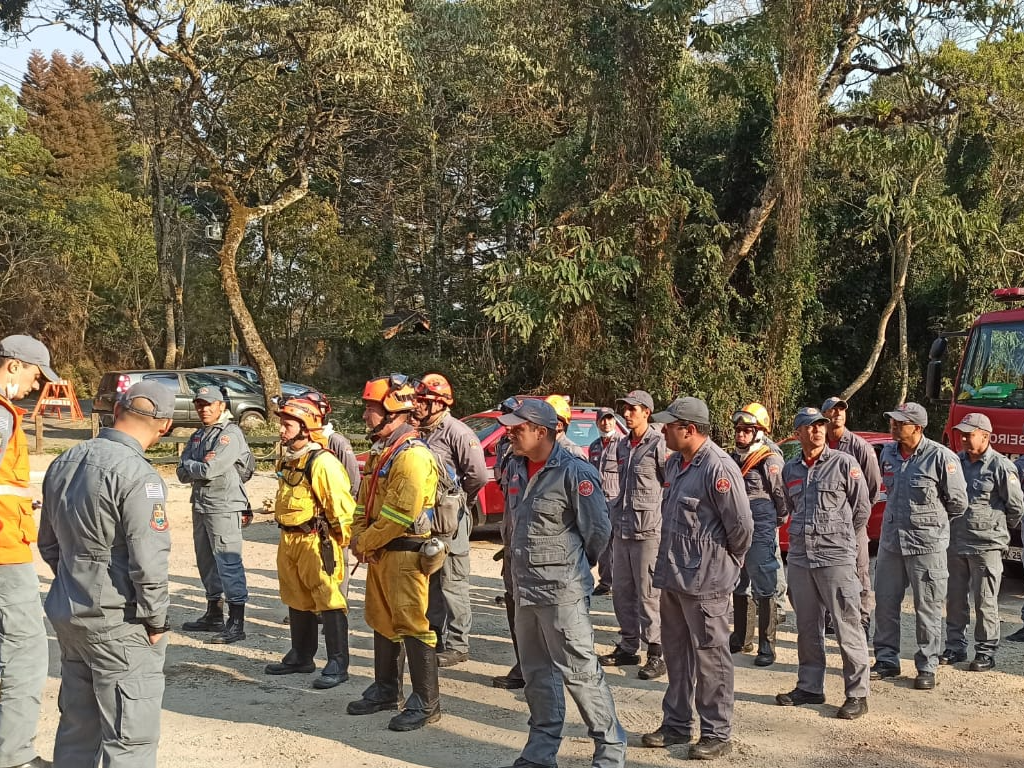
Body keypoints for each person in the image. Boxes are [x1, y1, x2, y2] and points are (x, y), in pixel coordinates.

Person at [38, 381, 174, 768]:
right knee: (130, 738)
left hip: (70, 612)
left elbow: (48, 544)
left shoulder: (64, 460)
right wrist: (156, 619)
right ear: (164, 425)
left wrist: (76, 580)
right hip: (119, 620)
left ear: (116, 411)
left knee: (78, 728)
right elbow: (149, 560)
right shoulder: (139, 476)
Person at [496, 399, 625, 768]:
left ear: (541, 431)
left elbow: (598, 531)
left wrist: (572, 566)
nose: (510, 433)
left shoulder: (573, 471)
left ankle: (610, 751)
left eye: (518, 428)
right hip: (525, 590)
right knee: (537, 674)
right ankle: (540, 752)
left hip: (562, 592)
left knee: (581, 674)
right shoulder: (516, 466)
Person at [642, 397, 752, 759]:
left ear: (688, 430)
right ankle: (676, 724)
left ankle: (717, 732)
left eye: (669, 426)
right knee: (677, 656)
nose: (662, 431)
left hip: (705, 582)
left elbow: (741, 527)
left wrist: (727, 565)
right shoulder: (676, 463)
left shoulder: (717, 468)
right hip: (674, 577)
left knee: (711, 659)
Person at [347, 375, 441, 731]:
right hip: (381, 552)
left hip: (404, 553)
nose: (366, 415)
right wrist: (360, 536)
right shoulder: (382, 451)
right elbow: (363, 503)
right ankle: (386, 688)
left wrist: (364, 542)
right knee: (381, 619)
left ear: (393, 411)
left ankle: (426, 702)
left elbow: (399, 515)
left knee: (412, 625)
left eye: (372, 409)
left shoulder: (413, 457)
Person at [775, 407, 871, 719]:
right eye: (810, 426)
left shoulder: (844, 463)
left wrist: (840, 538)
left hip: (836, 558)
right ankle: (810, 687)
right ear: (798, 433)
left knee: (847, 626)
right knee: (807, 627)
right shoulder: (790, 470)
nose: (817, 431)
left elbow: (861, 509)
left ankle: (857, 694)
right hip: (802, 558)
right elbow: (790, 507)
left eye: (821, 425)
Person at [872, 402, 968, 690]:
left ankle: (927, 665)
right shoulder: (888, 453)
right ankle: (887, 660)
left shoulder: (941, 457)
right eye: (893, 421)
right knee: (886, 603)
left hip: (926, 546)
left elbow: (958, 503)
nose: (893, 426)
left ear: (917, 427)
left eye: (900, 422)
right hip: (891, 543)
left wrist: (931, 526)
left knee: (927, 607)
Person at [263, 397, 355, 690]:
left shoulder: (323, 462)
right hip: (289, 538)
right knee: (294, 595)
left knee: (328, 597)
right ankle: (301, 655)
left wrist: (344, 543)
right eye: (282, 423)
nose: (282, 430)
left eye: (288, 425)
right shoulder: (289, 459)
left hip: (317, 540)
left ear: (307, 427)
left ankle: (338, 662)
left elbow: (340, 505)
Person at [0, 335, 59, 768]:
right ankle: (14, 755)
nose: (35, 387)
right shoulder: (2, 416)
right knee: (26, 651)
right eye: (35, 376)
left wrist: (22, 498)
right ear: (13, 365)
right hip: (4, 549)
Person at [414, 373, 488, 668]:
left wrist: (460, 503)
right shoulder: (420, 431)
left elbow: (478, 476)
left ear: (438, 404)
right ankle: (434, 636)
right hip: (426, 521)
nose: (416, 406)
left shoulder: (457, 432)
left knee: (453, 582)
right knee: (430, 579)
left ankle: (458, 644)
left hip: (451, 520)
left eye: (423, 401)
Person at [941, 413, 1023, 671]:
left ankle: (985, 651)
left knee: (985, 600)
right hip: (956, 541)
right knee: (955, 598)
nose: (964, 438)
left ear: (985, 436)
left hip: (986, 545)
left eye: (969, 434)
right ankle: (955, 647)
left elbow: (1016, 507)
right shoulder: (955, 462)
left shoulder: (1001, 466)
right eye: (962, 434)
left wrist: (995, 529)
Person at [599, 389, 667, 680]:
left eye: (632, 409)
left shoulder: (659, 444)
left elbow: (671, 485)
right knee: (622, 593)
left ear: (646, 413)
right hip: (623, 528)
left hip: (648, 531)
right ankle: (628, 646)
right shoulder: (623, 445)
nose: (626, 414)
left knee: (648, 594)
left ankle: (656, 652)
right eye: (624, 409)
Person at [177, 385, 253, 644]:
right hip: (200, 504)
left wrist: (193, 465)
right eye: (199, 404)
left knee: (228, 562)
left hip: (224, 504)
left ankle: (236, 621)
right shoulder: (199, 435)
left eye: (209, 404)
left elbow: (211, 469)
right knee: (206, 561)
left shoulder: (229, 434)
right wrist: (194, 465)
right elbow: (181, 471)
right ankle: (214, 613)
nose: (203, 409)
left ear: (221, 406)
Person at [729, 402, 787, 666]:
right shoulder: (732, 459)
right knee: (739, 582)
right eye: (738, 430)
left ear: (759, 432)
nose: (741, 434)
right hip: (737, 530)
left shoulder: (769, 459)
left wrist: (773, 523)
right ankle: (741, 637)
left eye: (747, 430)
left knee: (765, 586)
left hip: (761, 529)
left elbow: (781, 498)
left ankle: (767, 645)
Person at [822, 396, 882, 641]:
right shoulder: (819, 444)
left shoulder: (859, 447)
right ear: (822, 416)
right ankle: (830, 620)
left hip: (852, 524)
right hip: (824, 523)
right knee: (826, 571)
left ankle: (863, 619)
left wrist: (856, 518)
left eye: (841, 410)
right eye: (832, 410)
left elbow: (873, 489)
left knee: (859, 572)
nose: (837, 414)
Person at [588, 407, 620, 596]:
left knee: (618, 543)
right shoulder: (594, 446)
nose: (606, 423)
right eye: (602, 420)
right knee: (603, 542)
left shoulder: (622, 445)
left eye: (609, 419)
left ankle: (619, 583)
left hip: (616, 500)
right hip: (599, 502)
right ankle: (605, 581)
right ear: (597, 422)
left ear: (615, 422)